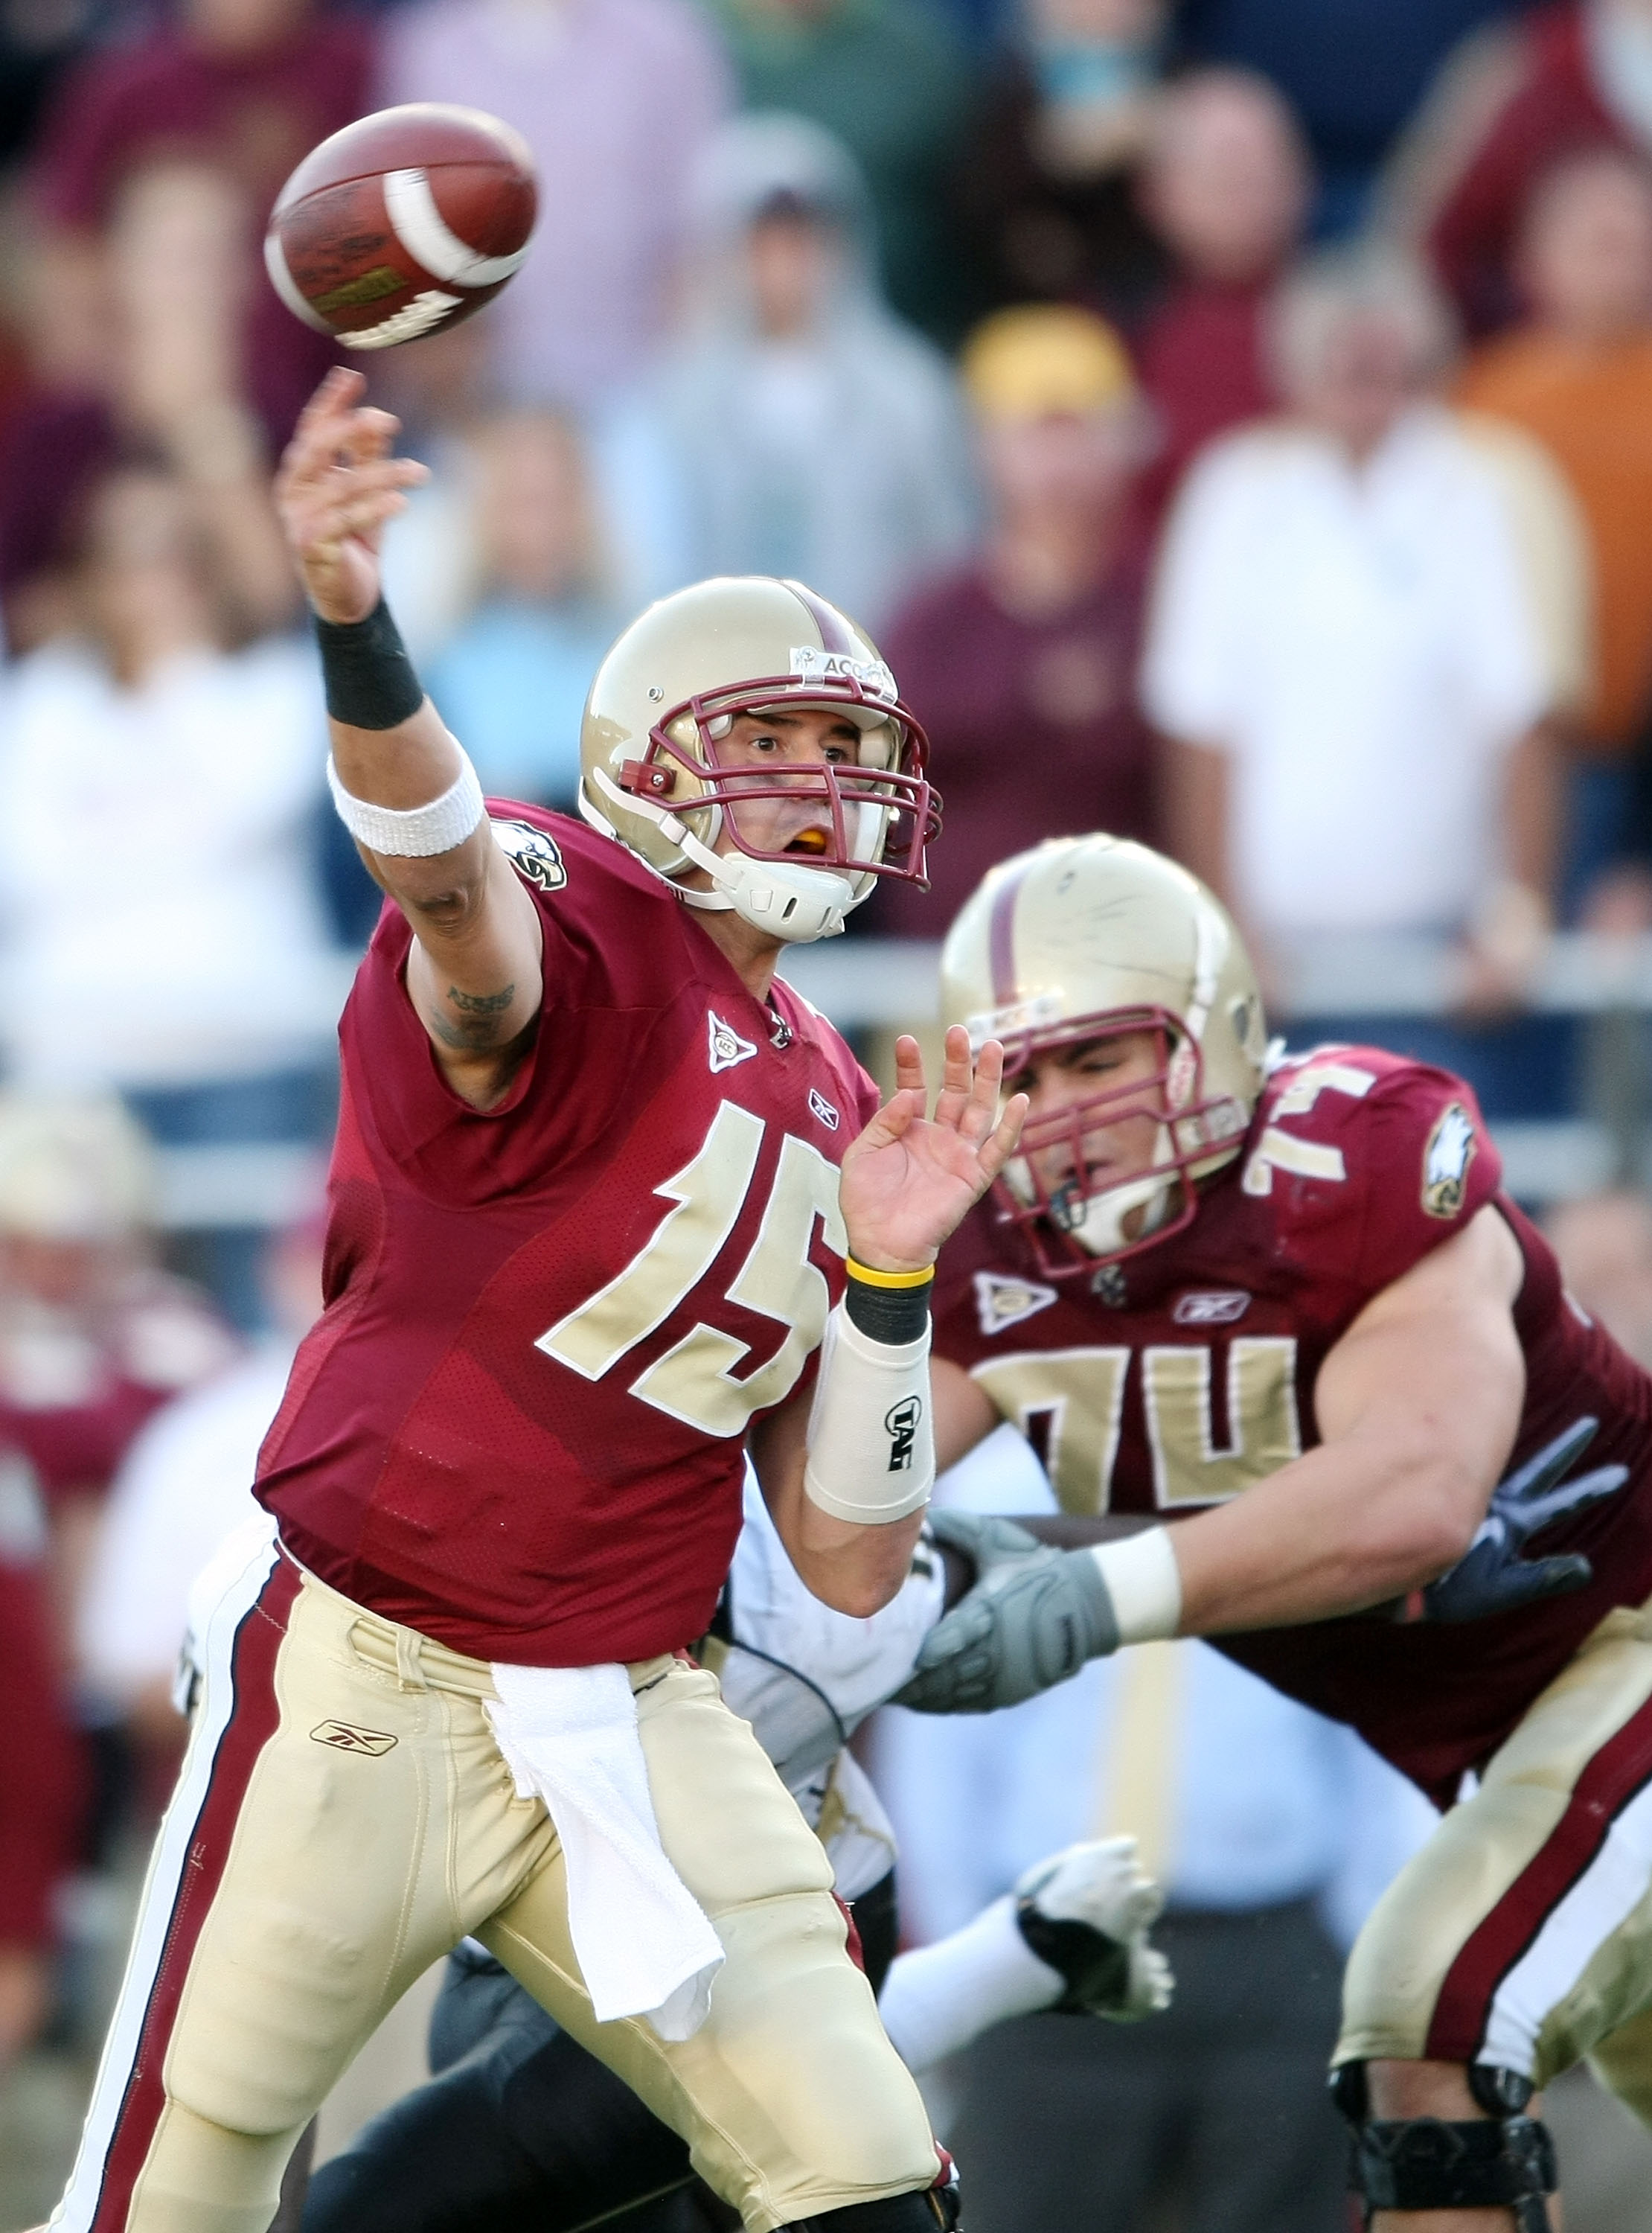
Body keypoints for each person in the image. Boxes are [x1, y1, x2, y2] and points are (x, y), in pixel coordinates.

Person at [45, 362, 1025, 2233]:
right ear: (648, 756)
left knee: (869, 2166)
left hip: (635, 1700)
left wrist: (893, 1267)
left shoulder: (835, 1078)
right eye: (779, 739)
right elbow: (445, 890)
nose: (825, 786)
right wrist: (354, 616)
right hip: (360, 1661)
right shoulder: (572, 911)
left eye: (848, 749)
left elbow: (844, 1556)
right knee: (165, 2203)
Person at [892, 828, 1652, 2232]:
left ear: (1213, 1039)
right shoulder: (988, 1261)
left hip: (1629, 1642)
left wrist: (1086, 1590)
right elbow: (820, 1545)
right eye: (1024, 1075)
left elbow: (1414, 1496)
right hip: (1498, 1755)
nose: (1060, 1115)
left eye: (1100, 1059)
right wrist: (875, 1282)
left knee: (1425, 2032)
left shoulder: (1347, 1161)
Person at [292, 1465, 1169, 2233]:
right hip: (511, 1954)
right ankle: (1028, 1958)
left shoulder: (812, 1599)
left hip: (749, 1952)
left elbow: (1152, 1568)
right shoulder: (372, 1538)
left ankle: (999, 1974)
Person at [1144, 246, 1563, 1114]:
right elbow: (1197, 725)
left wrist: (1516, 918)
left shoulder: (1478, 486)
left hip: (1446, 965)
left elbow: (1523, 715)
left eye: (1389, 365)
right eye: (1345, 364)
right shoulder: (1233, 492)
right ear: (1299, 371)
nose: (1367, 388)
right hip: (1280, 968)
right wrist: (1226, 933)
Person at [609, 115, 974, 636]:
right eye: (763, 245)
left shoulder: (909, 390)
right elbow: (654, 563)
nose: (784, 267)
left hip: (880, 678)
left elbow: (946, 551)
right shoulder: (672, 400)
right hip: (727, 686)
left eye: (802, 242)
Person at [871, 303, 1157, 939]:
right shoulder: (933, 617)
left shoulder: (1161, 603)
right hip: (945, 987)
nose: (1058, 463)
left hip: (1122, 979)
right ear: (983, 448)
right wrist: (1029, 696)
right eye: (1033, 434)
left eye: (1079, 432)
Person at [1458, 149, 1652, 908]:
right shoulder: (1484, 401)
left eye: (1634, 239)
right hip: (1497, 762)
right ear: (1533, 261)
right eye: (1597, 241)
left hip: (1626, 759)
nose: (1621, 258)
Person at [375, 0, 730, 412]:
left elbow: (698, 223)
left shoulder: (666, 39)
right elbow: (401, 229)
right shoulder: (431, 51)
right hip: (482, 406)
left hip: (638, 390)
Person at [1131, 66, 1313, 517]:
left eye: (1267, 173)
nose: (1251, 196)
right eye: (1225, 176)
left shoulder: (1347, 321)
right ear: (1157, 195)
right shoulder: (1116, 326)